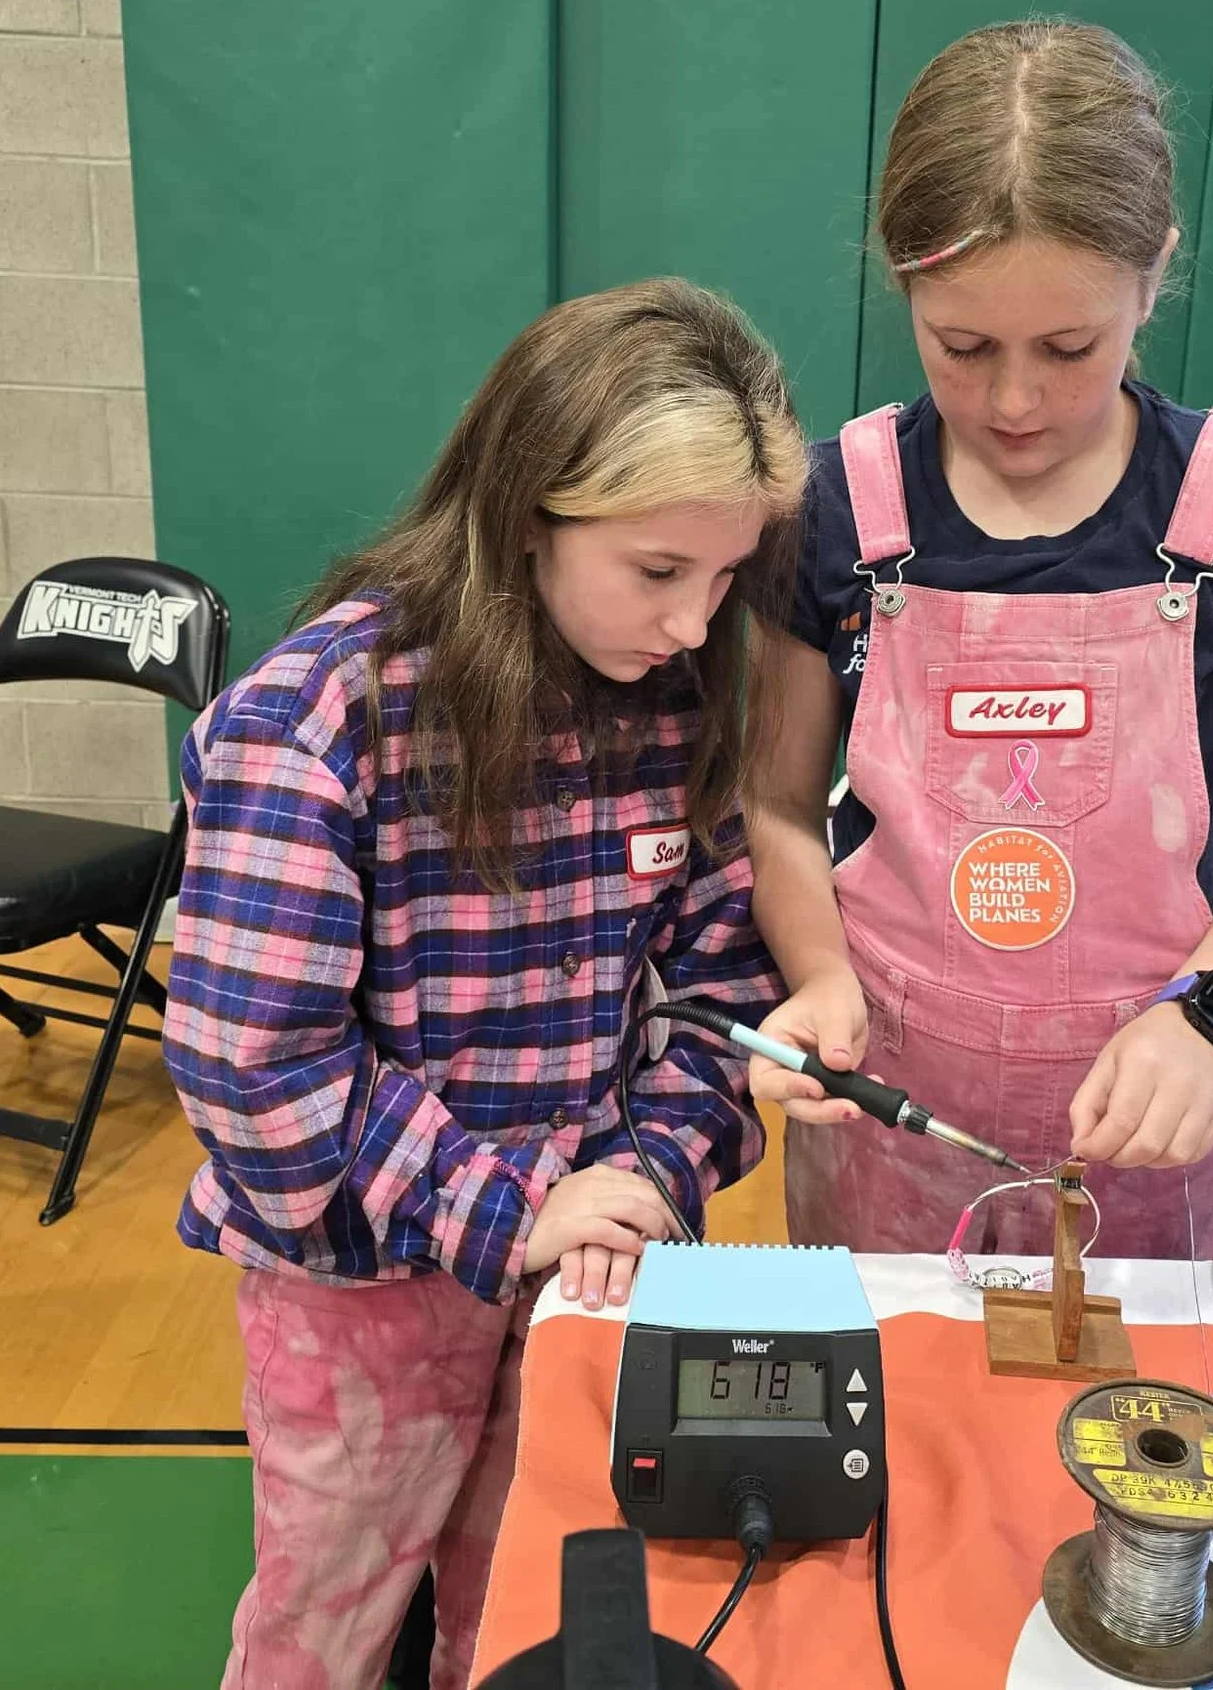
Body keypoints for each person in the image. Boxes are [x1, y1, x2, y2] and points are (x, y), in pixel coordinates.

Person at [162, 279, 803, 1690]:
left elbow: (718, 992)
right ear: (526, 512)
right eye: (658, 570)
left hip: (580, 1268)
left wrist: (644, 1172)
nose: (695, 624)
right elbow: (252, 1066)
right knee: (325, 1617)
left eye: (724, 579)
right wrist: (507, 1211)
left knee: (520, 1600)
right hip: (361, 1292)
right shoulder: (321, 717)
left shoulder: (672, 702)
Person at [748, 22, 1213, 1262]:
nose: (1014, 400)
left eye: (1069, 349)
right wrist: (816, 976)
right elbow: (771, 804)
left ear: (1154, 273)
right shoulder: (840, 504)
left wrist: (1212, 1014)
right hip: (888, 1117)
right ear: (902, 284)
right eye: (962, 347)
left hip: (1148, 1115)